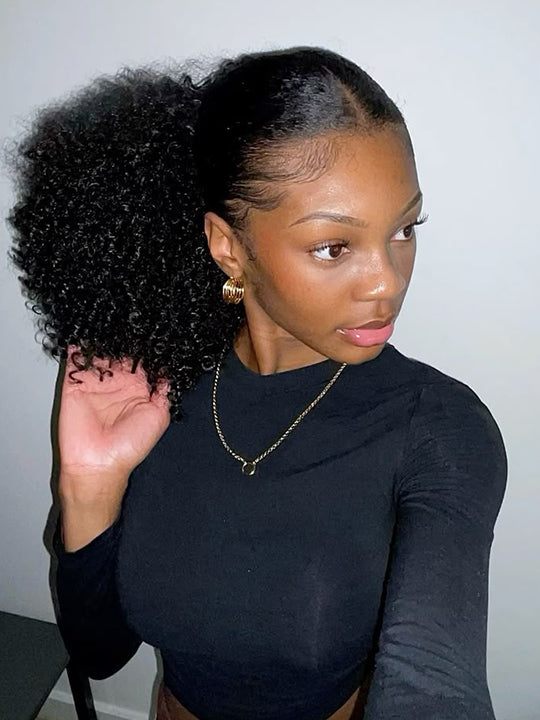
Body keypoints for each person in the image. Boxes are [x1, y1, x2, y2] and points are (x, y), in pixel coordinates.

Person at [6, 46, 507, 720]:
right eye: (334, 246)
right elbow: (101, 652)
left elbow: (435, 674)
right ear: (228, 247)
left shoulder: (439, 427)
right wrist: (89, 484)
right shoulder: (149, 393)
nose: (388, 282)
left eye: (404, 229)